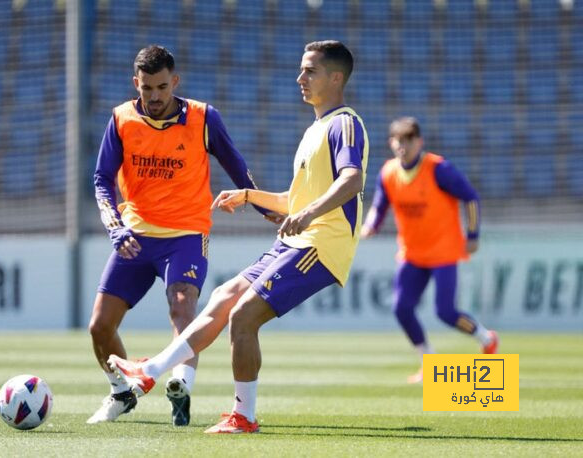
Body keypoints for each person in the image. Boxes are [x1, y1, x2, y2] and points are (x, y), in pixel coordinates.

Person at [106, 40, 369, 433]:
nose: (300, 77)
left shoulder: (345, 123)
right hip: (297, 240)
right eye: (301, 69)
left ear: (335, 77)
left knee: (243, 317)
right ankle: (150, 373)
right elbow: (293, 200)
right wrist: (248, 195)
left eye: (309, 71)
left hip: (320, 244)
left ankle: (243, 416)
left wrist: (308, 214)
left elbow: (353, 179)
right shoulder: (315, 129)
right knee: (224, 298)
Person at [87, 45, 270, 426]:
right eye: (146, 88)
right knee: (100, 326)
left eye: (161, 87)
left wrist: (267, 209)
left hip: (186, 232)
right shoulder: (121, 120)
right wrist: (114, 227)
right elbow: (102, 179)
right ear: (135, 83)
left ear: (175, 82)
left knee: (182, 302)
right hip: (135, 234)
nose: (154, 97)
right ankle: (121, 392)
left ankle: (180, 384)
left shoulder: (203, 118)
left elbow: (237, 168)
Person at [360, 117, 498, 384]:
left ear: (419, 141)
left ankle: (487, 338)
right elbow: (380, 204)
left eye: (409, 139)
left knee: (445, 312)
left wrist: (473, 234)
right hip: (412, 253)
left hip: (443, 251)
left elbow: (470, 197)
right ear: (391, 143)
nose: (403, 146)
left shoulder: (438, 169)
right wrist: (371, 225)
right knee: (401, 308)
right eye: (398, 140)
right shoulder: (389, 173)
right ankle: (429, 363)